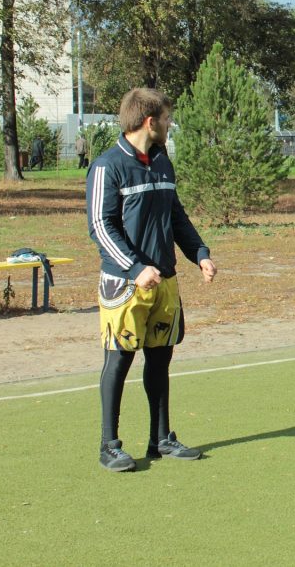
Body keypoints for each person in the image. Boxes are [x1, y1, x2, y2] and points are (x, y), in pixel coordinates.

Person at [86, 88, 216, 472]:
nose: (169, 123)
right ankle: (109, 445)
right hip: (124, 285)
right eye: (166, 117)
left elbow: (176, 215)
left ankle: (161, 439)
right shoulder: (108, 165)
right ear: (150, 121)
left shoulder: (162, 163)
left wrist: (200, 253)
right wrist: (134, 267)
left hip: (165, 282)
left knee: (160, 360)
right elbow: (100, 225)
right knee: (119, 361)